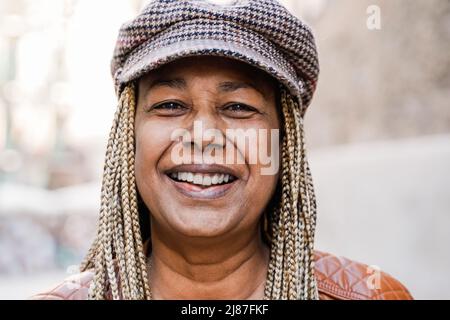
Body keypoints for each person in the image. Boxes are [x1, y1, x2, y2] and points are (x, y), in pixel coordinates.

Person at [32, 0, 412, 300]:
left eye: (239, 108)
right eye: (170, 105)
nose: (203, 134)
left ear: (286, 147)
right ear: (128, 140)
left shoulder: (374, 294)